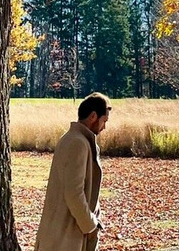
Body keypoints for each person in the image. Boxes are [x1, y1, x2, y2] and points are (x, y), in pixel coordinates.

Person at [34, 93, 111, 251]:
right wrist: (90, 225)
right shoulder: (78, 143)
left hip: (63, 231)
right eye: (104, 121)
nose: (104, 127)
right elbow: (74, 193)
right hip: (66, 234)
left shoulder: (73, 139)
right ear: (93, 116)